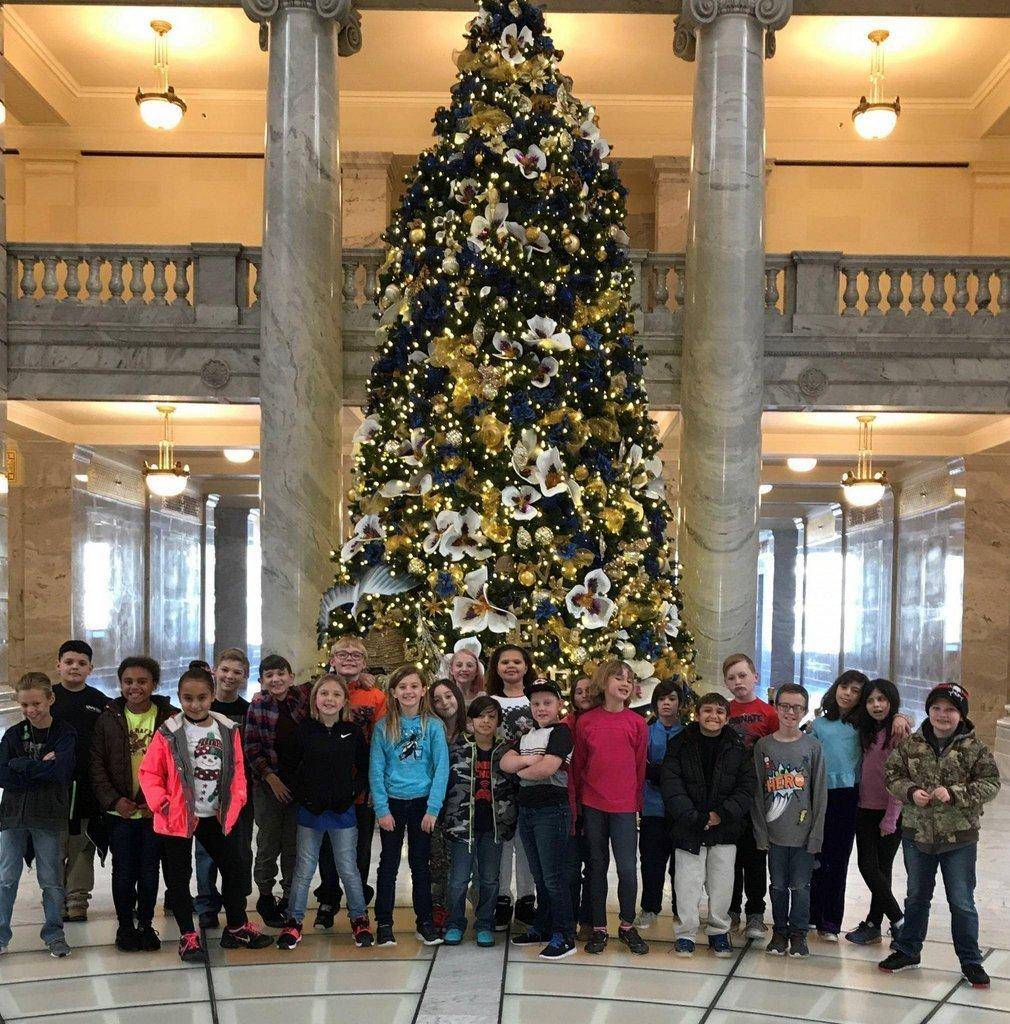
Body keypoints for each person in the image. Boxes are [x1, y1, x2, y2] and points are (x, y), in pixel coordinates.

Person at [139, 667, 273, 963]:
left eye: (201, 698)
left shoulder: (227, 728)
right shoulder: (169, 732)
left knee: (235, 868)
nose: (195, 704)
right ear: (179, 698)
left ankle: (236, 926)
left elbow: (238, 769)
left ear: (212, 697)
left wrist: (236, 801)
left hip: (216, 814)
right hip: (177, 816)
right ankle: (188, 935)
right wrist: (161, 802)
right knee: (178, 876)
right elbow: (149, 772)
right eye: (187, 698)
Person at [879, 683, 1001, 989]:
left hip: (959, 838)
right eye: (937, 708)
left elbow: (991, 784)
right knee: (917, 896)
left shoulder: (975, 748)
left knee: (961, 901)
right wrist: (909, 791)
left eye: (950, 709)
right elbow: (892, 775)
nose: (942, 715)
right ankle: (908, 950)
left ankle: (970, 960)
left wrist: (956, 793)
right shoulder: (912, 743)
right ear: (928, 711)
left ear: (960, 715)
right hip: (917, 835)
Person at [277, 674, 373, 950]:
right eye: (324, 694)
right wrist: (304, 796)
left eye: (335, 695)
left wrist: (351, 793)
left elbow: (363, 767)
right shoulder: (303, 730)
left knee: (348, 868)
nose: (329, 699)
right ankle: (293, 922)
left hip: (343, 812)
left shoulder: (351, 732)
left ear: (344, 700)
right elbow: (289, 767)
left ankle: (359, 918)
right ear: (315, 699)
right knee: (304, 868)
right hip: (311, 811)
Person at [89, 656, 177, 952]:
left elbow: (178, 766)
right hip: (120, 812)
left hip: (154, 812)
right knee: (124, 870)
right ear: (120, 683)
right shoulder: (108, 717)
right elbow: (97, 764)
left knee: (150, 869)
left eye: (142, 681)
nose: (135, 687)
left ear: (154, 684)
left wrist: (158, 801)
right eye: (128, 681)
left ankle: (146, 924)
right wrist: (114, 800)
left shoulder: (169, 719)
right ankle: (125, 926)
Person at [661, 691, 754, 958]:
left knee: (722, 884)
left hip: (725, 829)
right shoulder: (680, 744)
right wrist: (694, 817)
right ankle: (686, 933)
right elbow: (671, 784)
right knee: (687, 884)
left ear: (727, 718)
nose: (713, 716)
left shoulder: (738, 747)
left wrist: (721, 814)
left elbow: (746, 788)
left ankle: (718, 931)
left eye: (720, 712)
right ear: (697, 714)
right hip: (688, 828)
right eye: (708, 711)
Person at [570, 660, 649, 956]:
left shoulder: (637, 723)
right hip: (593, 805)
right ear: (604, 683)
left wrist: (636, 803)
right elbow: (578, 767)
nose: (624, 683)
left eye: (629, 679)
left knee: (628, 869)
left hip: (625, 808)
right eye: (618, 677)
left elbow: (639, 765)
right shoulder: (587, 722)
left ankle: (627, 925)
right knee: (597, 868)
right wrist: (577, 805)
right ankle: (599, 927)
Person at [370, 664, 450, 947]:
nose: (408, 691)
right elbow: (376, 770)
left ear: (423, 690)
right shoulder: (383, 727)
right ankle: (384, 922)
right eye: (402, 687)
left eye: (414, 686)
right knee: (388, 865)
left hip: (422, 805)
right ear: (393, 692)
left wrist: (433, 808)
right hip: (392, 803)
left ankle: (425, 922)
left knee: (420, 864)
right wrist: (381, 809)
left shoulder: (434, 726)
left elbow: (441, 768)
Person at [0, 673, 77, 958]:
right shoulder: (12, 734)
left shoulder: (64, 733)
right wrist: (36, 766)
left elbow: (61, 772)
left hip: (47, 816)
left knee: (51, 879)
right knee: (6, 878)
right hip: (12, 816)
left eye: (36, 703)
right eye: (24, 705)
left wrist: (21, 765)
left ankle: (54, 934)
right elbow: (2, 773)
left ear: (50, 699)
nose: (31, 710)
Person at [502, 680, 576, 960]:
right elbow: (504, 762)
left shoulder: (561, 733)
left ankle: (564, 934)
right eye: (536, 704)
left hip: (552, 811)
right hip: (527, 812)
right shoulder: (526, 735)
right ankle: (543, 926)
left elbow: (547, 769)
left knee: (554, 877)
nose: (541, 708)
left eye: (547, 703)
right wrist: (528, 763)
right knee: (540, 876)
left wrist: (523, 768)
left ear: (558, 705)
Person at [752, 683, 827, 959]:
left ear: (805, 711)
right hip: (774, 835)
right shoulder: (764, 746)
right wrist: (761, 833)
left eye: (797, 707)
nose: (790, 712)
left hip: (804, 836)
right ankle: (779, 930)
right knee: (777, 885)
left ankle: (798, 933)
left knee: (801, 886)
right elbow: (757, 791)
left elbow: (819, 794)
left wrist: (816, 834)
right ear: (776, 707)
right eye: (785, 706)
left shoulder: (813, 747)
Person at [319, 635, 387, 928]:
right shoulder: (320, 691)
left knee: (359, 847)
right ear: (332, 659)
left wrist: (374, 784)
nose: (349, 659)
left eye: (356, 655)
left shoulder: (375, 697)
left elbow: (382, 741)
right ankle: (328, 897)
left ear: (364, 662)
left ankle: (357, 900)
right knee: (326, 845)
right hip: (326, 785)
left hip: (362, 785)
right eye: (342, 654)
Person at [442, 695, 516, 949]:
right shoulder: (457, 748)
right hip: (462, 825)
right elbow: (445, 783)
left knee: (489, 878)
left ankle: (485, 923)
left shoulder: (506, 750)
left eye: (491, 716)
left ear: (497, 722)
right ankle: (454, 922)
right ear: (471, 720)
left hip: (495, 826)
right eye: (480, 716)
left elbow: (514, 787)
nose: (486, 721)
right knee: (458, 879)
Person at [243, 653, 309, 927]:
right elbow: (251, 747)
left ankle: (290, 894)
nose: (276, 679)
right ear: (261, 681)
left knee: (293, 844)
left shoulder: (303, 700)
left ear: (291, 677)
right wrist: (271, 778)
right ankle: (266, 894)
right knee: (268, 843)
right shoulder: (258, 705)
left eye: (281, 673)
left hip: (299, 786)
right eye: (269, 675)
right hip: (268, 785)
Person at [51, 639, 110, 923]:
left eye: (81, 663)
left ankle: (77, 898)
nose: (75, 667)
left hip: (87, 787)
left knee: (81, 842)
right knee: (54, 843)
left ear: (90, 668)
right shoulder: (47, 698)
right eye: (69, 662)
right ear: (58, 665)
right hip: (53, 786)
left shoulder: (100, 703)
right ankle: (54, 895)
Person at [195, 648, 253, 931]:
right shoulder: (202, 708)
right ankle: (206, 904)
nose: (230, 676)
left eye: (237, 672)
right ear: (215, 671)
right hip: (205, 794)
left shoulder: (248, 711)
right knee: (206, 853)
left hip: (239, 795)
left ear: (245, 677)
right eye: (225, 670)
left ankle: (236, 904)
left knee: (239, 851)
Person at [845, 678, 904, 946]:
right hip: (864, 809)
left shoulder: (898, 733)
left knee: (872, 866)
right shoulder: (867, 730)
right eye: (870, 700)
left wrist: (890, 819)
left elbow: (901, 779)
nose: (876, 705)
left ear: (891, 702)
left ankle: (898, 920)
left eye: (881, 700)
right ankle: (874, 923)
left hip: (889, 812)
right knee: (877, 869)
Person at [725, 652, 777, 941]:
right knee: (729, 858)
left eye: (743, 675)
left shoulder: (768, 713)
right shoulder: (723, 710)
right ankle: (731, 909)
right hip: (731, 798)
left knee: (756, 857)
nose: (738, 682)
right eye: (732, 678)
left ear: (755, 676)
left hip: (758, 798)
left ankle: (755, 912)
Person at [486, 645, 538, 930]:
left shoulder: (536, 700)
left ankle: (527, 899)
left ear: (526, 666)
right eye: (504, 662)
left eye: (517, 661)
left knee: (526, 842)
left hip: (531, 780)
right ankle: (502, 899)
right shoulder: (489, 701)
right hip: (498, 782)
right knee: (503, 842)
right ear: (496, 668)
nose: (511, 666)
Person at [635, 677, 686, 930]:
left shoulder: (688, 733)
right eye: (661, 699)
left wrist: (664, 773)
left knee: (681, 864)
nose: (666, 704)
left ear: (680, 703)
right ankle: (649, 907)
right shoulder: (645, 731)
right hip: (653, 807)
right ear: (655, 704)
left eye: (672, 699)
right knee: (652, 861)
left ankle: (681, 909)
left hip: (681, 811)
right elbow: (639, 764)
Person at [429, 678, 468, 928]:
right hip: (436, 804)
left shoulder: (473, 730)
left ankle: (464, 908)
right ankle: (438, 907)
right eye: (437, 699)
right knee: (437, 859)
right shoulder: (431, 729)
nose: (444, 702)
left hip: (464, 805)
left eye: (448, 696)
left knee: (463, 862)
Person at [563, 675, 597, 941]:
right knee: (571, 867)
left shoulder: (604, 721)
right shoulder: (565, 726)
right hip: (571, 806)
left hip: (597, 804)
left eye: (589, 690)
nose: (584, 695)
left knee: (595, 867)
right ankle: (569, 917)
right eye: (579, 691)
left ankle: (589, 918)